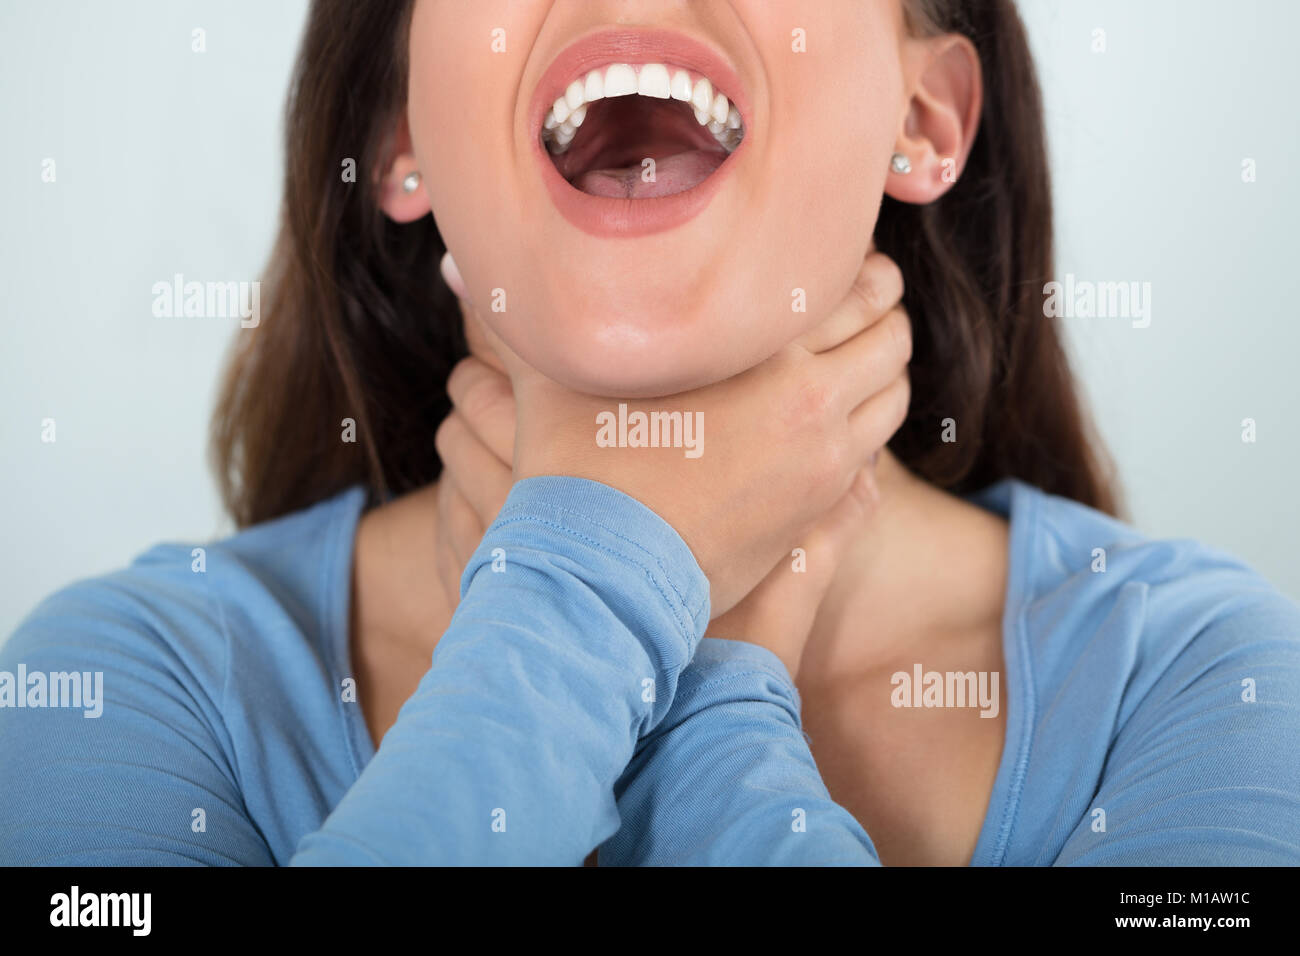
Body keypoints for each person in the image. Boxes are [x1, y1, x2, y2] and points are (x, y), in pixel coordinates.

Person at [3, 0, 1298, 866]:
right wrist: (595, 588)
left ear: (926, 123)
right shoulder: (127, 685)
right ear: (399, 139)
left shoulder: (1196, 691)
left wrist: (700, 694)